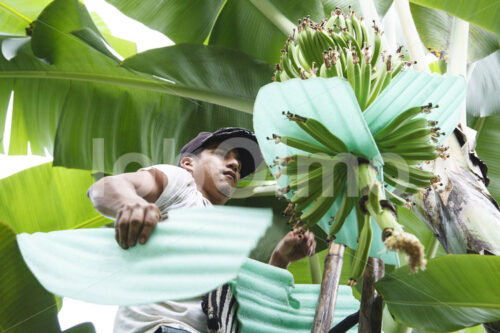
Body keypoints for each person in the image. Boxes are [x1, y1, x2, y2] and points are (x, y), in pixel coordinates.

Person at [87, 127, 316, 333]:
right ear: (189, 164)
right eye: (222, 154)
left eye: (239, 163)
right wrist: (130, 203)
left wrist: (280, 258)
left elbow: (245, 312)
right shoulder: (183, 186)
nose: (235, 165)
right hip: (165, 327)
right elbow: (105, 188)